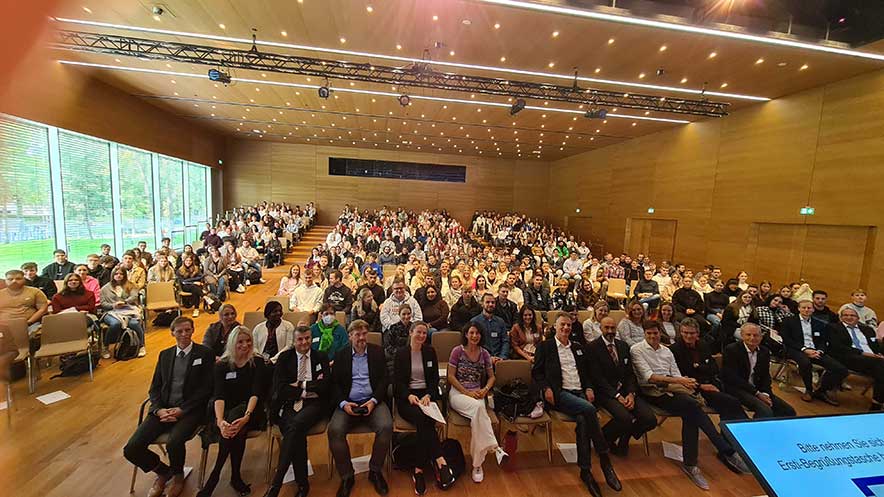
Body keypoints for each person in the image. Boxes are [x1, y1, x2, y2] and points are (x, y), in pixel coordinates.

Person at [630, 320, 749, 490]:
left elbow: (677, 373)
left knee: (691, 412)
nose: (652, 336)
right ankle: (724, 450)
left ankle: (692, 463)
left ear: (659, 333)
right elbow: (649, 377)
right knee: (692, 406)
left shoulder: (666, 351)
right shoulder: (637, 349)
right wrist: (681, 381)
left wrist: (685, 383)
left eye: (655, 333)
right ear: (644, 333)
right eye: (649, 333)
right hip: (652, 390)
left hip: (673, 387)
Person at [123, 317, 214, 497]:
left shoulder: (205, 353)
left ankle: (178, 476)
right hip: (163, 409)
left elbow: (206, 389)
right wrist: (158, 409)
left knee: (174, 441)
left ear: (193, 330)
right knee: (131, 448)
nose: (184, 334)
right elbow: (155, 387)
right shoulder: (165, 355)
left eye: (187, 330)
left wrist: (182, 410)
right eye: (179, 331)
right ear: (172, 333)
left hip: (190, 411)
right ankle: (163, 472)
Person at [532, 315, 620, 497]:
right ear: (555, 327)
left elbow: (587, 372)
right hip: (559, 394)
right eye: (562, 324)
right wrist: (546, 388)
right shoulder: (545, 347)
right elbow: (537, 373)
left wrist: (588, 386)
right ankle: (604, 459)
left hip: (579, 392)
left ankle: (585, 471)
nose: (565, 328)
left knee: (583, 421)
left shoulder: (579, 348)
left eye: (568, 325)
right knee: (589, 410)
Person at [197, 327, 267, 497]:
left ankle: (214, 477)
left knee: (237, 421)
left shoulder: (257, 362)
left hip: (252, 408)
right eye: (240, 342)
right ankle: (235, 476)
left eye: (248, 341)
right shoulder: (221, 365)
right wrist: (220, 421)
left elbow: (256, 393)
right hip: (226, 410)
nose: (245, 345)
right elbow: (219, 396)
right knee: (235, 429)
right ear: (232, 343)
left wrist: (246, 417)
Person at [328, 320, 393, 497]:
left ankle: (375, 470)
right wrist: (343, 404)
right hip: (348, 403)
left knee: (386, 426)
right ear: (350, 336)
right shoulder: (341, 355)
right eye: (357, 334)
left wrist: (373, 401)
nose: (361, 338)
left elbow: (384, 380)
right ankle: (347, 476)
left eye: (364, 334)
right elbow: (334, 385)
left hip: (373, 401)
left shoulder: (377, 352)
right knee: (334, 430)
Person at [265, 325, 331, 497]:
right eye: (300, 339)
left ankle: (276, 485)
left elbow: (326, 387)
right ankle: (302, 485)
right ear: (294, 341)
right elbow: (280, 388)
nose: (304, 342)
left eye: (307, 338)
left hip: (315, 404)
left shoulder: (320, 356)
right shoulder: (285, 358)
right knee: (296, 431)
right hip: (289, 404)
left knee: (294, 427)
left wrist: (301, 384)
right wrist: (307, 389)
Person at [393, 321, 456, 494]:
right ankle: (440, 460)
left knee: (425, 420)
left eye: (424, 333)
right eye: (418, 332)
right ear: (411, 332)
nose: (422, 336)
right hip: (408, 398)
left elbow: (434, 379)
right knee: (424, 419)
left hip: (426, 397)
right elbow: (397, 382)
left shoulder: (430, 351)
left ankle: (418, 470)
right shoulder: (401, 353)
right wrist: (409, 395)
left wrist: (429, 394)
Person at [447, 322, 508, 484]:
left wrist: (485, 389)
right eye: (471, 333)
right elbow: (450, 376)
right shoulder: (457, 351)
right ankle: (494, 448)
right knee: (480, 410)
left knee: (477, 419)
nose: (475, 336)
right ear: (466, 334)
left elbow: (492, 377)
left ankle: (477, 464)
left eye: (477, 333)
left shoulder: (485, 353)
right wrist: (466, 392)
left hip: (478, 393)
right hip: (459, 393)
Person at [586, 317, 656, 457]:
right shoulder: (592, 347)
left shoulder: (623, 346)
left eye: (613, 328)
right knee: (625, 418)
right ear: (600, 328)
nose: (610, 331)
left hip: (625, 390)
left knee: (650, 420)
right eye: (607, 328)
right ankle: (604, 438)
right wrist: (617, 396)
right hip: (605, 392)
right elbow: (597, 378)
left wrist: (631, 393)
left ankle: (624, 438)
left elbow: (630, 373)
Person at [669, 319, 748, 421]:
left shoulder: (703, 345)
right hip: (694, 389)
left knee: (731, 404)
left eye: (692, 333)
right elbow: (680, 376)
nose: (689, 336)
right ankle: (742, 429)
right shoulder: (674, 350)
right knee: (732, 402)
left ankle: (729, 432)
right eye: (685, 333)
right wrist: (701, 385)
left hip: (713, 382)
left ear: (697, 333)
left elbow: (714, 368)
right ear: (681, 332)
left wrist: (698, 366)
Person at [721, 323, 796, 418]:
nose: (752, 338)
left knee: (788, 411)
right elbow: (732, 377)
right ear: (742, 335)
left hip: (758, 389)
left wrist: (765, 393)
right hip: (738, 389)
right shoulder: (731, 350)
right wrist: (757, 393)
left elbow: (765, 376)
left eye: (756, 335)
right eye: (748, 335)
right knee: (765, 411)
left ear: (761, 337)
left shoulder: (764, 352)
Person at [780, 299, 846, 404]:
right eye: (804, 307)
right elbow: (786, 339)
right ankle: (809, 390)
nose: (806, 310)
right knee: (805, 363)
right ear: (798, 309)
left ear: (813, 309)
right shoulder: (789, 321)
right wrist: (805, 349)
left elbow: (823, 340)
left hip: (816, 351)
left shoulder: (819, 324)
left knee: (840, 369)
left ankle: (821, 390)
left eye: (809, 308)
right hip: (797, 349)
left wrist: (819, 350)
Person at [826, 307, 884, 411]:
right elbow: (837, 347)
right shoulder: (833, 328)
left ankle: (877, 402)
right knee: (881, 366)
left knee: (881, 369)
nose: (849, 317)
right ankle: (877, 403)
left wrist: (878, 353)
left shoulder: (867, 330)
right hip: (849, 357)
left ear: (858, 318)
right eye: (845, 315)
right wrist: (863, 353)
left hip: (874, 360)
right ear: (841, 317)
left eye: (852, 315)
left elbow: (875, 345)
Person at [100, 266, 146, 357]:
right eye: (116, 274)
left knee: (135, 324)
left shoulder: (130, 285)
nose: (119, 276)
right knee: (115, 324)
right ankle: (105, 347)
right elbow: (103, 303)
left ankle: (141, 346)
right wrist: (113, 305)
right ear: (112, 275)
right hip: (111, 312)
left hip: (128, 309)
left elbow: (134, 296)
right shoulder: (105, 288)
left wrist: (125, 302)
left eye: (121, 274)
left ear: (125, 275)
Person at [0, 269, 49, 336]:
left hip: (31, 325)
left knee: (36, 336)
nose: (14, 281)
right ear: (5, 281)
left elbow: (43, 309)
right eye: (10, 279)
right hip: (4, 327)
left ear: (24, 279)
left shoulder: (35, 291)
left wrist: (28, 322)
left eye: (18, 279)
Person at [470, 293, 510, 363]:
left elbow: (505, 341)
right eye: (487, 302)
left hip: (500, 360)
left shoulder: (500, 322)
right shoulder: (474, 322)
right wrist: (487, 358)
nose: (491, 304)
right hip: (480, 360)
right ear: (482, 304)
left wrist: (502, 357)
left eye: (493, 302)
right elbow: (472, 344)